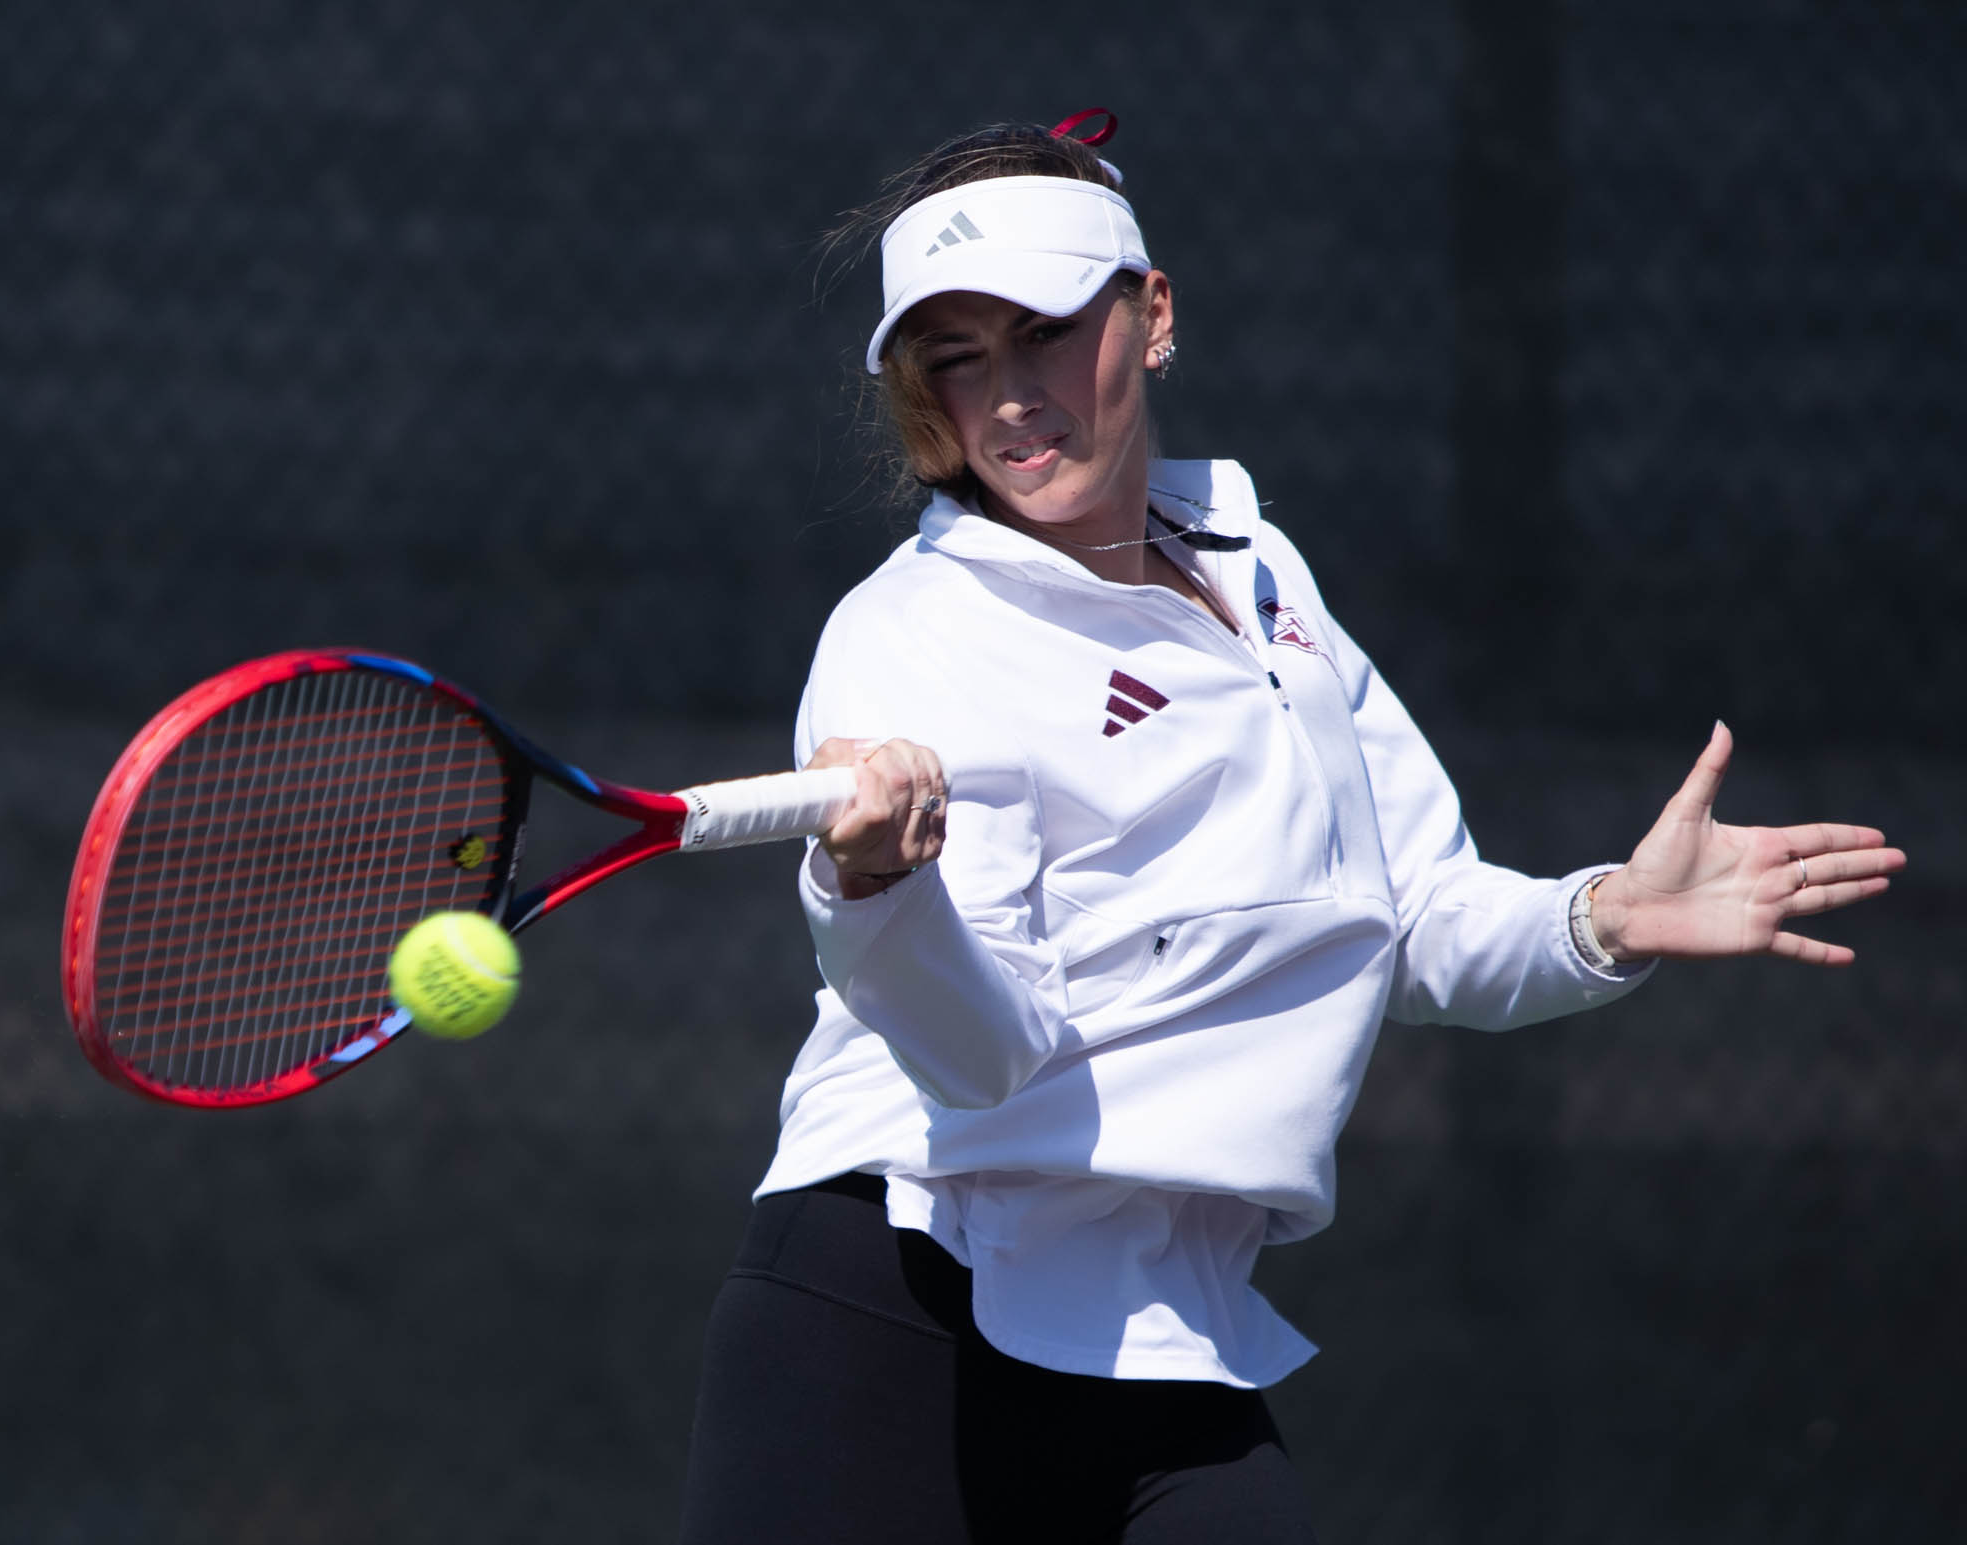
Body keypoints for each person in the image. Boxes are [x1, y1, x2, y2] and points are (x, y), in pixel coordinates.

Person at [676, 114, 1905, 1544]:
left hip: (1168, 1336)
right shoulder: (914, 634)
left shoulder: (1259, 572)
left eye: (1043, 334)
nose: (1005, 398)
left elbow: (1413, 912)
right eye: (956, 360)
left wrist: (1602, 917)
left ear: (1154, 313)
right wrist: (875, 886)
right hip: (897, 1311)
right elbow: (982, 1060)